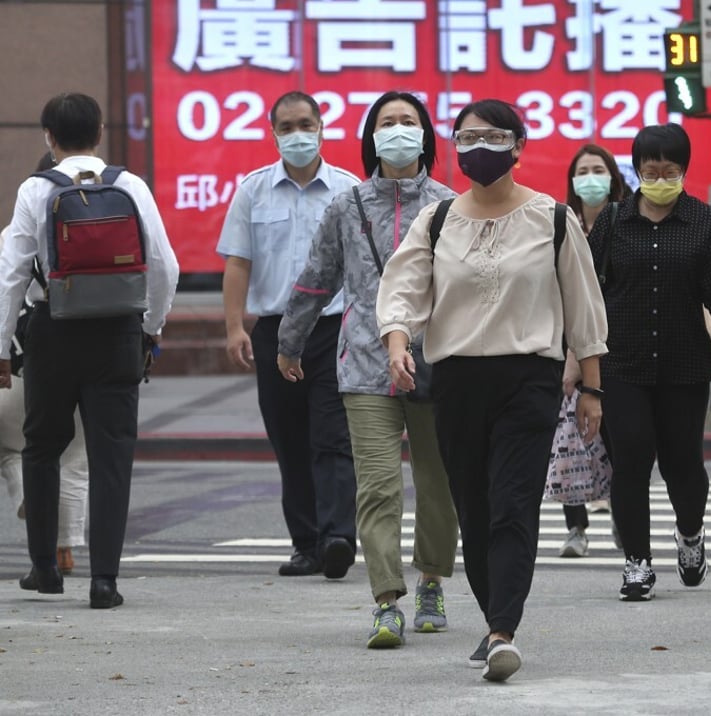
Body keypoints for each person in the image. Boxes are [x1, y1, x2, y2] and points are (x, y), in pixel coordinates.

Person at [376, 99, 607, 682]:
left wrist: (592, 389)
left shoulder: (553, 218)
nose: (479, 146)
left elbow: (585, 309)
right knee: (473, 511)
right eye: (467, 136)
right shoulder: (437, 220)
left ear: (518, 147)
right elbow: (402, 288)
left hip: (528, 379)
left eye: (493, 136)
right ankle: (493, 619)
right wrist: (398, 342)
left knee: (512, 504)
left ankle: (504, 630)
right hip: (455, 381)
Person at [277, 91, 459, 649]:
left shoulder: (451, 205)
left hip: (434, 363)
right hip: (362, 364)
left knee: (437, 485)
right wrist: (290, 342)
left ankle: (431, 580)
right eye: (387, 122)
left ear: (426, 135)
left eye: (409, 122)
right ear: (370, 136)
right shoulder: (346, 205)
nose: (398, 130)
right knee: (377, 488)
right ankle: (386, 601)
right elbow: (316, 278)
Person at [0, 92, 179, 607]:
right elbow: (165, 267)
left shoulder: (35, 189)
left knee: (40, 449)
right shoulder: (131, 186)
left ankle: (43, 570)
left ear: (48, 137)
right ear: (101, 132)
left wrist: (2, 345)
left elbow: (12, 274)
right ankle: (104, 580)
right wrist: (151, 327)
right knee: (110, 458)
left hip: (51, 334)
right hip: (119, 335)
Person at [587, 123, 711, 602]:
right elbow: (589, 292)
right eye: (650, 171)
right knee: (632, 459)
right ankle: (637, 562)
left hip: (684, 363)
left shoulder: (705, 222)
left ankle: (691, 534)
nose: (659, 179)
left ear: (683, 171)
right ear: (636, 171)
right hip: (623, 363)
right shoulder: (613, 223)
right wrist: (579, 357)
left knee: (683, 464)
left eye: (670, 170)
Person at [217, 91, 360, 581]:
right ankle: (306, 545)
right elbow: (238, 262)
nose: (297, 134)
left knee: (333, 436)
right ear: (273, 132)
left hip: (334, 328)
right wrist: (235, 325)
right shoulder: (253, 191)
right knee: (290, 440)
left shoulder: (348, 189)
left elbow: (365, 266)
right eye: (287, 126)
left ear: (322, 127)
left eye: (306, 124)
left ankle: (338, 536)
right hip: (276, 331)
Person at [2, 212, 89, 576]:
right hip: (94, 354)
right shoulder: (115, 208)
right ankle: (65, 549)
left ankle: (28, 495)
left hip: (25, 362)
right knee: (73, 457)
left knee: (14, 448)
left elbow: (7, 290)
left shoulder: (14, 232)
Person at [558, 142, 627, 558]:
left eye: (597, 169)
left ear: (613, 177)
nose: (590, 178)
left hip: (616, 352)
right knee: (571, 441)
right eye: (581, 171)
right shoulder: (561, 225)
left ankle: (623, 518)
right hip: (566, 350)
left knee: (617, 443)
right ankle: (575, 528)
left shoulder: (625, 225)